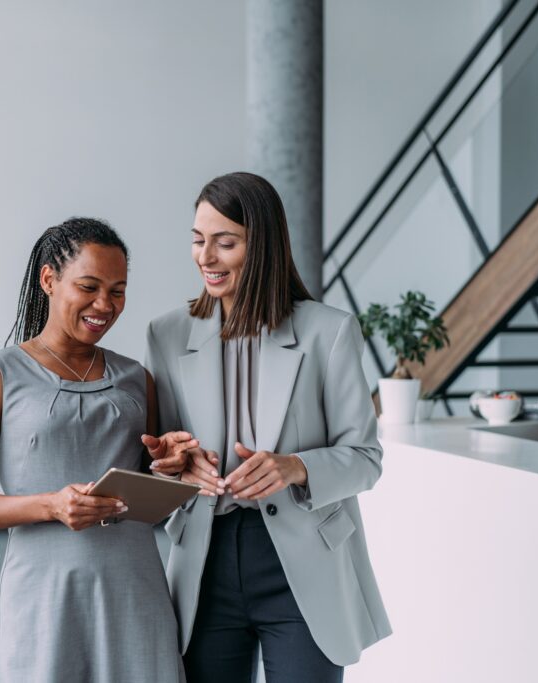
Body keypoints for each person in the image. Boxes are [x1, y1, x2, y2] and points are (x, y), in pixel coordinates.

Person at [145, 172, 391, 682]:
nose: (205, 257)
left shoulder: (329, 332)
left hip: (304, 563)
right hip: (205, 559)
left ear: (263, 246)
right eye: (197, 240)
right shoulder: (167, 334)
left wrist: (297, 467)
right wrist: (173, 465)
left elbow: (366, 459)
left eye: (225, 242)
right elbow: (163, 461)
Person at [0, 218, 188, 682]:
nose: (104, 305)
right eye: (89, 287)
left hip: (135, 587)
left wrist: (173, 469)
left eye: (118, 291)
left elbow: (152, 500)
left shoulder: (138, 378)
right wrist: (51, 505)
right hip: (43, 592)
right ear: (49, 280)